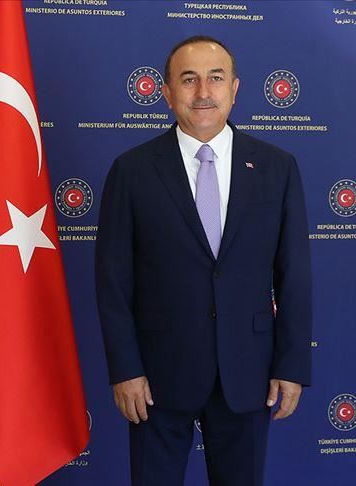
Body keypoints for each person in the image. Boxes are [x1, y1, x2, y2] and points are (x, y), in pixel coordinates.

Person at [95, 35, 312, 486]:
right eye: (189, 79)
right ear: (167, 92)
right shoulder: (131, 171)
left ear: (235, 88)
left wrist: (291, 365)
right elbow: (112, 280)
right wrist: (126, 369)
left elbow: (294, 274)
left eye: (216, 78)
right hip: (156, 375)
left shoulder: (277, 167)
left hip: (248, 371)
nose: (203, 92)